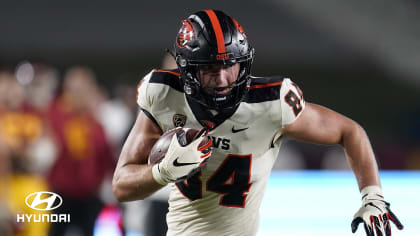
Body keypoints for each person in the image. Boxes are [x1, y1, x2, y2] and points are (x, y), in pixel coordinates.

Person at [112, 9, 404, 236]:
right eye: (211, 68)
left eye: (231, 64)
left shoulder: (272, 104)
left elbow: (349, 131)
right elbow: (121, 186)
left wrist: (372, 195)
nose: (224, 77)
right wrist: (163, 172)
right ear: (187, 69)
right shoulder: (163, 93)